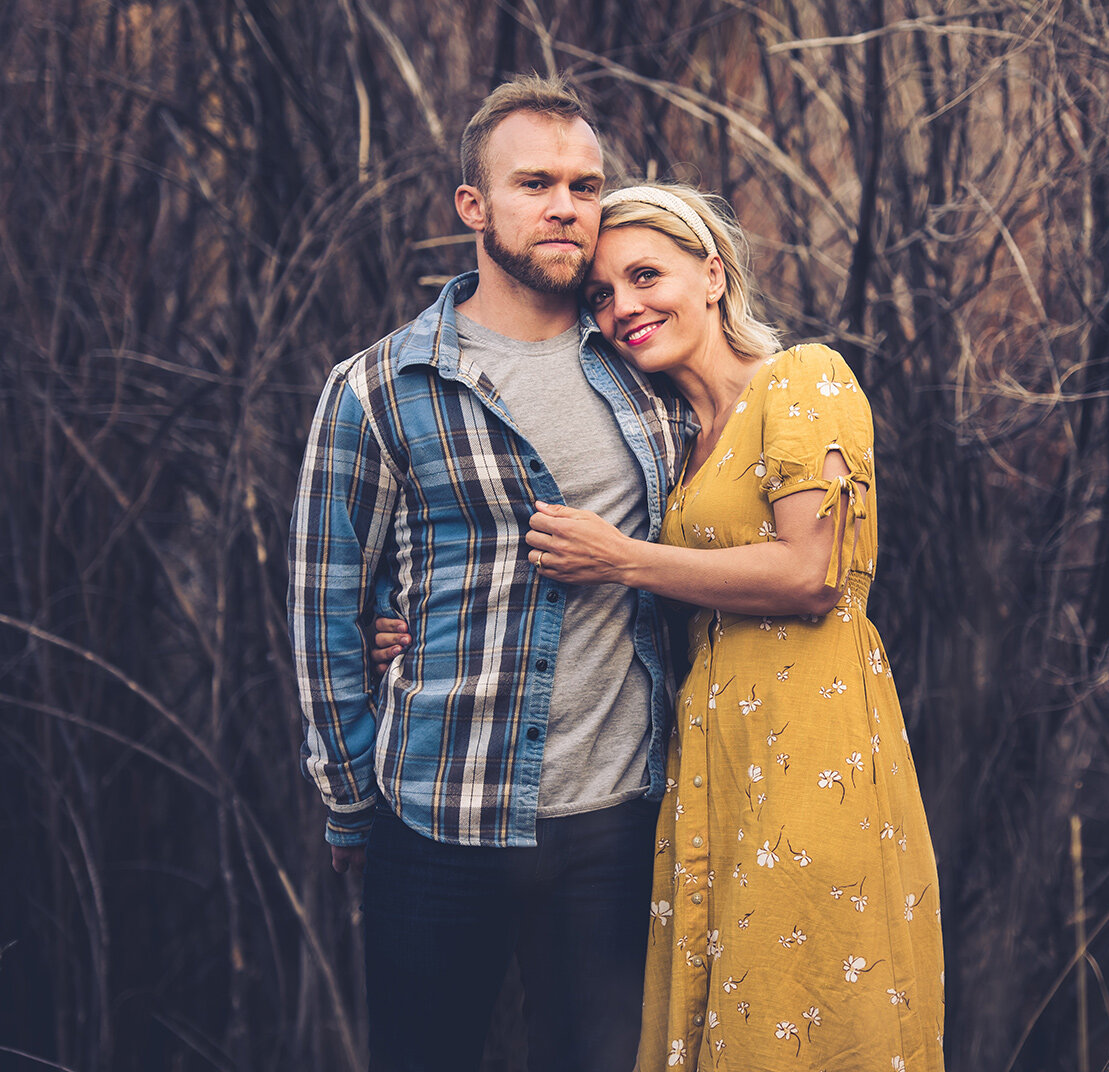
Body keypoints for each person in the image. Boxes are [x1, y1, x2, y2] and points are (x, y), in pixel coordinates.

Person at [379, 183, 946, 1070]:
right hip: (710, 759)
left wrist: (623, 559)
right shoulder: (676, 432)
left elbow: (809, 575)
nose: (622, 309)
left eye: (646, 276)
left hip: (813, 750)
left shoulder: (803, 378)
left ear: (713, 275)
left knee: (801, 1012)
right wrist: (419, 629)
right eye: (601, 295)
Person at [286, 78, 695, 1072]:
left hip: (616, 818)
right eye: (535, 183)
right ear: (473, 207)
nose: (565, 206)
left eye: (586, 185)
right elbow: (325, 603)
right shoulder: (381, 385)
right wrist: (348, 795)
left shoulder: (649, 369)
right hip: (439, 819)